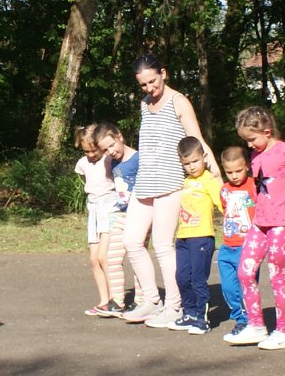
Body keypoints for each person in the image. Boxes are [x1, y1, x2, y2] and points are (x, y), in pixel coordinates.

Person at [118, 54, 206, 329]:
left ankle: (174, 306)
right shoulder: (144, 104)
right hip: (145, 182)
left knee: (163, 244)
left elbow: (196, 140)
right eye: (143, 85)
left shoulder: (178, 102)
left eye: (152, 82)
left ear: (163, 73)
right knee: (132, 241)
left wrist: (214, 172)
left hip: (170, 183)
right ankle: (151, 300)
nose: (149, 88)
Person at [234, 106, 285, 348]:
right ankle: (256, 325)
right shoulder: (255, 155)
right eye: (246, 140)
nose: (249, 145)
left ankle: (283, 331)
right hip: (259, 222)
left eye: (252, 139)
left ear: (267, 132)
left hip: (280, 223)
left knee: (276, 276)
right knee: (245, 272)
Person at [171, 137, 224, 334]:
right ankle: (190, 313)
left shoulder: (209, 180)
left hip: (202, 236)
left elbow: (223, 204)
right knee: (182, 277)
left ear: (204, 157)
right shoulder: (186, 181)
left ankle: (202, 318)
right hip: (183, 236)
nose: (192, 167)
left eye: (195, 161)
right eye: (186, 163)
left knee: (198, 279)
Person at [75, 124, 119, 316]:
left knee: (104, 257)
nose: (91, 154)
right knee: (94, 259)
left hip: (109, 208)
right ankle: (103, 301)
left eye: (94, 150)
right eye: (87, 151)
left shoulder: (109, 160)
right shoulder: (82, 164)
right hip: (94, 209)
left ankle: (116, 300)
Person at [215, 145, 258, 341]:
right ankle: (239, 316)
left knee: (246, 286)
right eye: (229, 172)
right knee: (228, 286)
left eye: (238, 170)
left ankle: (248, 320)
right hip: (227, 246)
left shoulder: (253, 186)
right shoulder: (224, 190)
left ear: (247, 166)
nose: (234, 176)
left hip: (247, 246)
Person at [95, 123, 138, 315]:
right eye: (105, 149)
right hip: (120, 214)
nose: (110, 151)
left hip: (138, 214)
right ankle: (118, 301)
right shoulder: (112, 162)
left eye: (112, 145)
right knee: (112, 257)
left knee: (137, 257)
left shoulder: (137, 158)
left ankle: (142, 301)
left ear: (119, 136)